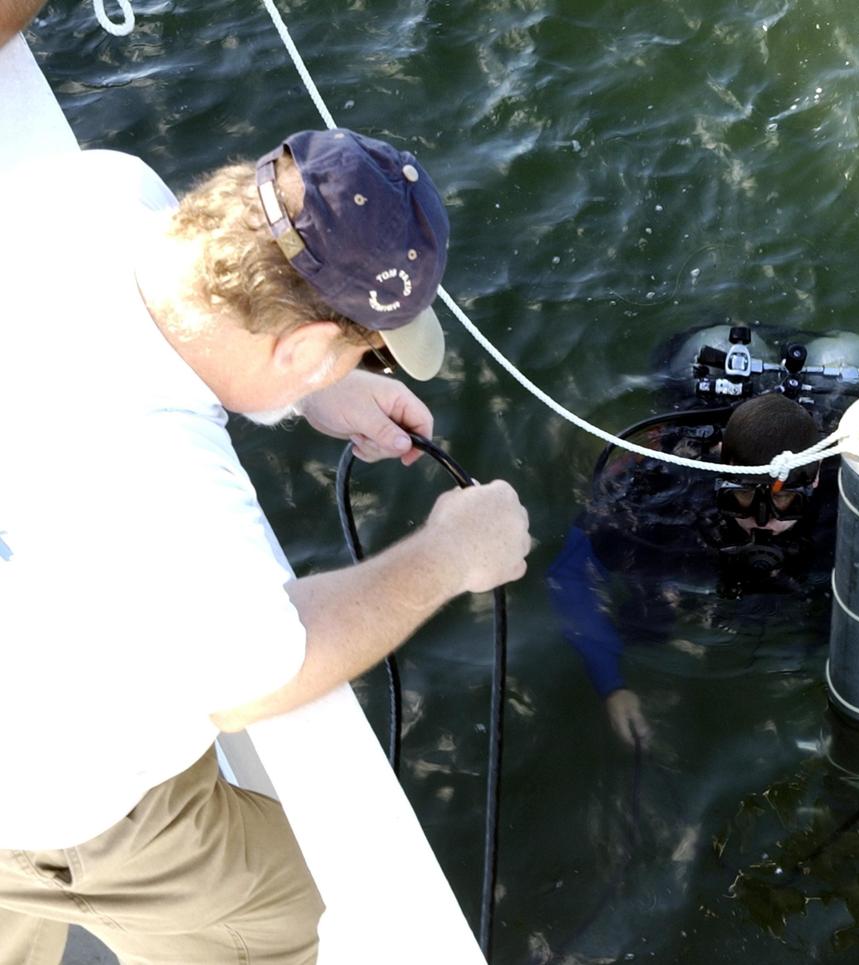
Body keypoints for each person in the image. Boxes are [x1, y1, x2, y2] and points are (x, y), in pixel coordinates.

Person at [0, 15, 532, 962]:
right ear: (295, 343)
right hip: (35, 797)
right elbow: (264, 674)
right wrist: (453, 554)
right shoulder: (169, 487)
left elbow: (203, 314)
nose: (364, 362)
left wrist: (326, 388)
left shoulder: (107, 195)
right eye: (360, 346)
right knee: (287, 909)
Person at [548, 390, 859, 754]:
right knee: (645, 621)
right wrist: (611, 684)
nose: (764, 522)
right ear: (721, 470)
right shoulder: (667, 497)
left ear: (812, 483)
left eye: (785, 502)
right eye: (741, 499)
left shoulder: (846, 498)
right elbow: (569, 575)